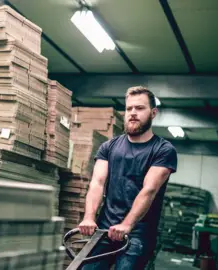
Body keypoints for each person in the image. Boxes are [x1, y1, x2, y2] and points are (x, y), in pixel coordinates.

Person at [78, 86, 178, 270]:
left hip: (137, 234)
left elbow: (149, 190)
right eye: (129, 108)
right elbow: (97, 183)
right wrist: (89, 217)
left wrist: (127, 225)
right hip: (104, 230)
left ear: (153, 113)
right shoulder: (109, 147)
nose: (133, 113)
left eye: (139, 108)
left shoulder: (163, 150)